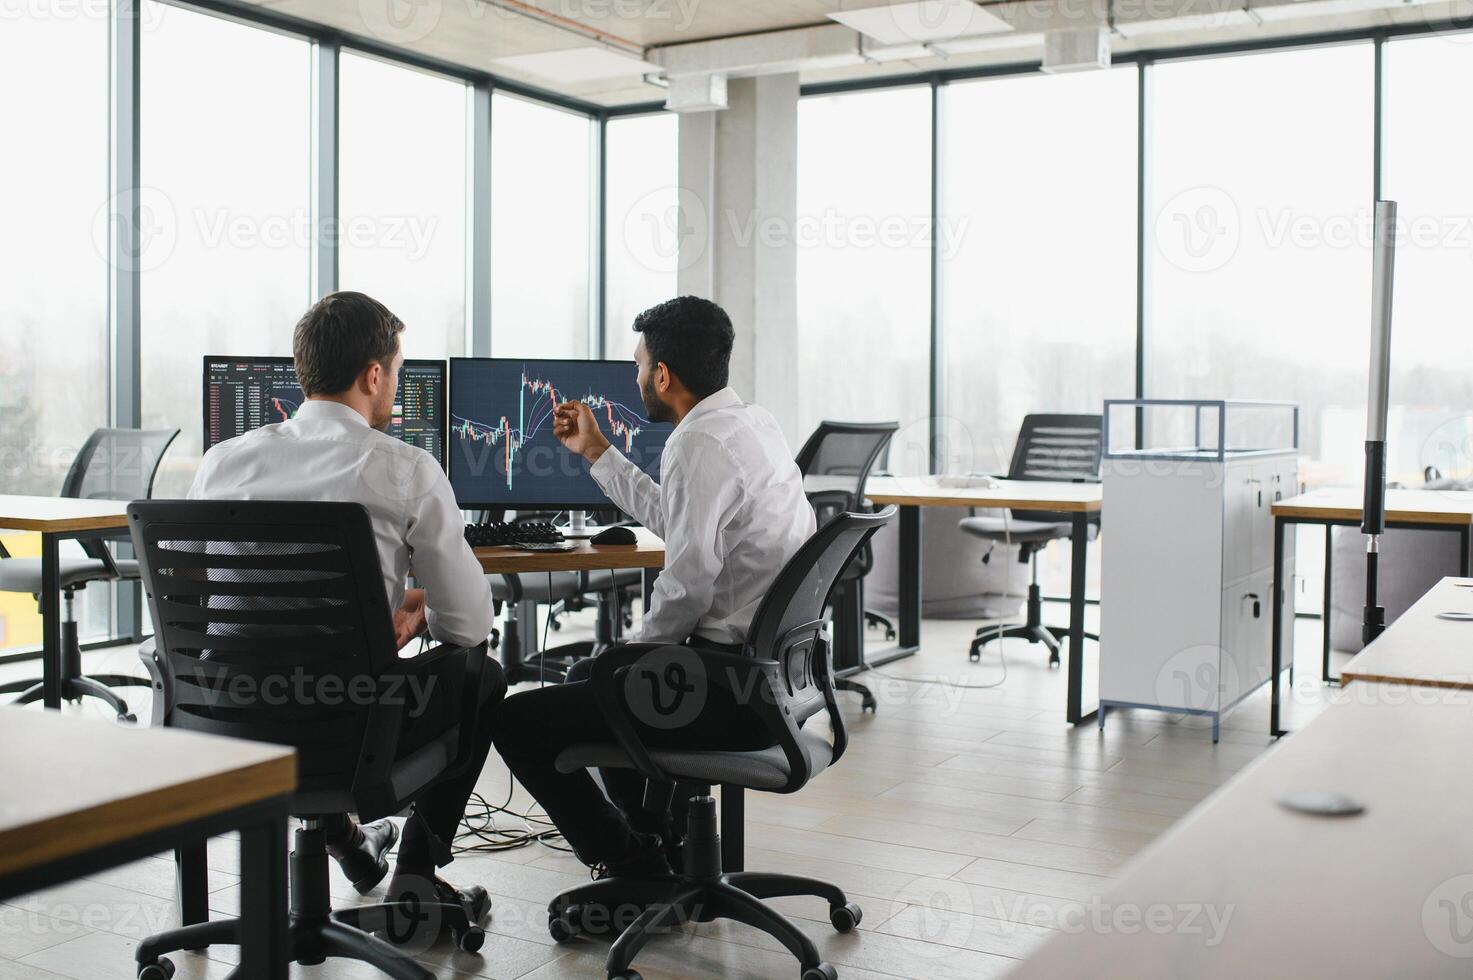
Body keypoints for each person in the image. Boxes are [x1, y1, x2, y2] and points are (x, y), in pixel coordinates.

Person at [189, 290, 503, 930]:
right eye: (397, 369)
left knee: (303, 693)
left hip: (223, 730)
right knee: (482, 674)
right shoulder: (405, 469)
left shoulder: (221, 463)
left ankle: (348, 844)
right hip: (351, 734)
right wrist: (418, 614)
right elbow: (469, 627)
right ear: (373, 375)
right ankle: (416, 867)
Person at [493, 295, 815, 875]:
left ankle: (629, 859)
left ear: (662, 375)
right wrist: (596, 450)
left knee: (516, 720)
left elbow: (688, 585)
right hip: (774, 680)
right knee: (588, 674)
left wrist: (630, 651)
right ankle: (658, 842)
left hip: (726, 690)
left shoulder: (695, 444)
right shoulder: (751, 424)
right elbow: (681, 523)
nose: (636, 377)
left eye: (639, 366)